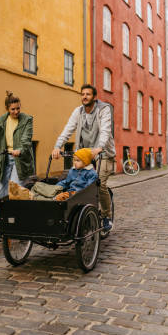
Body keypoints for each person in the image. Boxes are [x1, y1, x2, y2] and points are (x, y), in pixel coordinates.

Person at [52, 84, 115, 230]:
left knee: (100, 185)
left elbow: (105, 131)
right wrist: (57, 146)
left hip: (103, 152)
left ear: (94, 97)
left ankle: (106, 216)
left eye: (88, 94)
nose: (84, 97)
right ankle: (83, 214)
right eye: (82, 94)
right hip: (83, 153)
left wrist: (99, 148)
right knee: (76, 181)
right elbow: (68, 129)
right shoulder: (78, 111)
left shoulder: (103, 109)